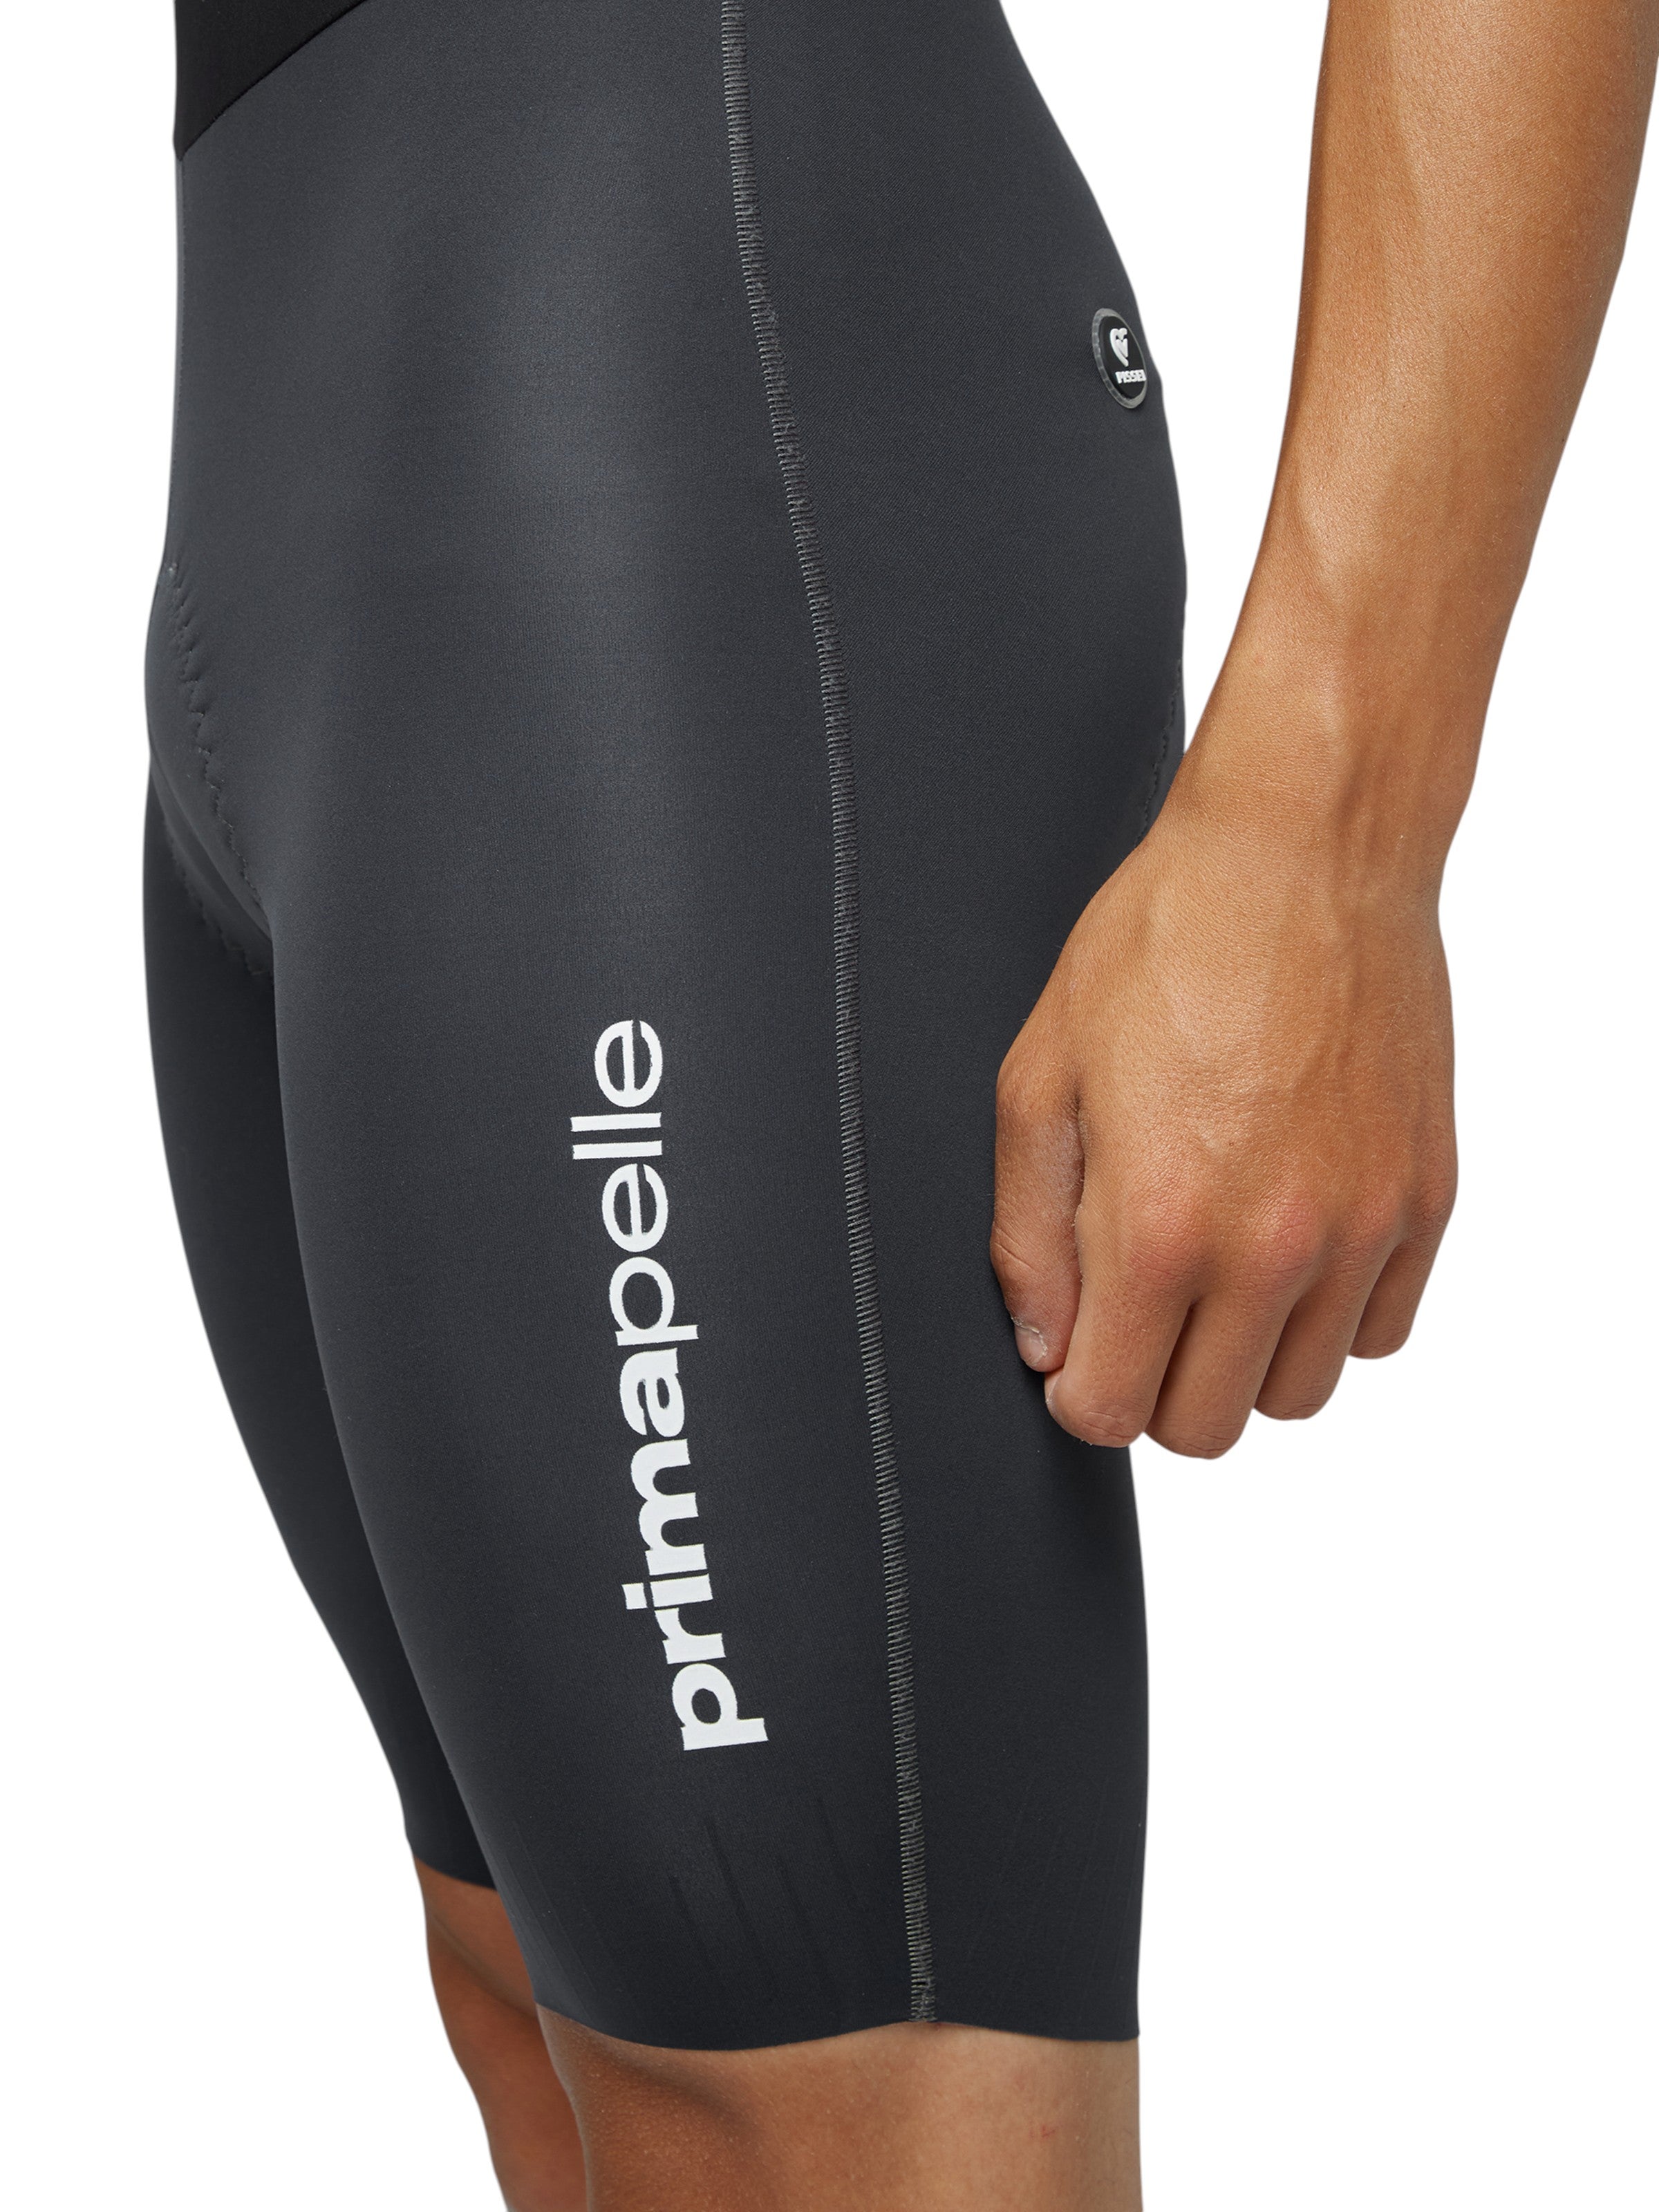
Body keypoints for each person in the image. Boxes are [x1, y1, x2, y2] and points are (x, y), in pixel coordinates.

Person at [143, 1, 1656, 2206]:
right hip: (313, 462)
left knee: (802, 2095)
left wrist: (1338, 830)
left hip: (685, 423)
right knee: (553, 2016)